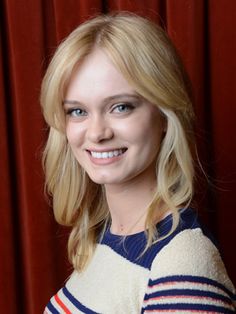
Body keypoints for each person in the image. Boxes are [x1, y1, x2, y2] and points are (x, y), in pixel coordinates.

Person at [41, 12, 236, 313]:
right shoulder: (103, 235)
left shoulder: (181, 264)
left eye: (121, 107)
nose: (96, 133)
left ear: (164, 114)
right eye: (77, 111)